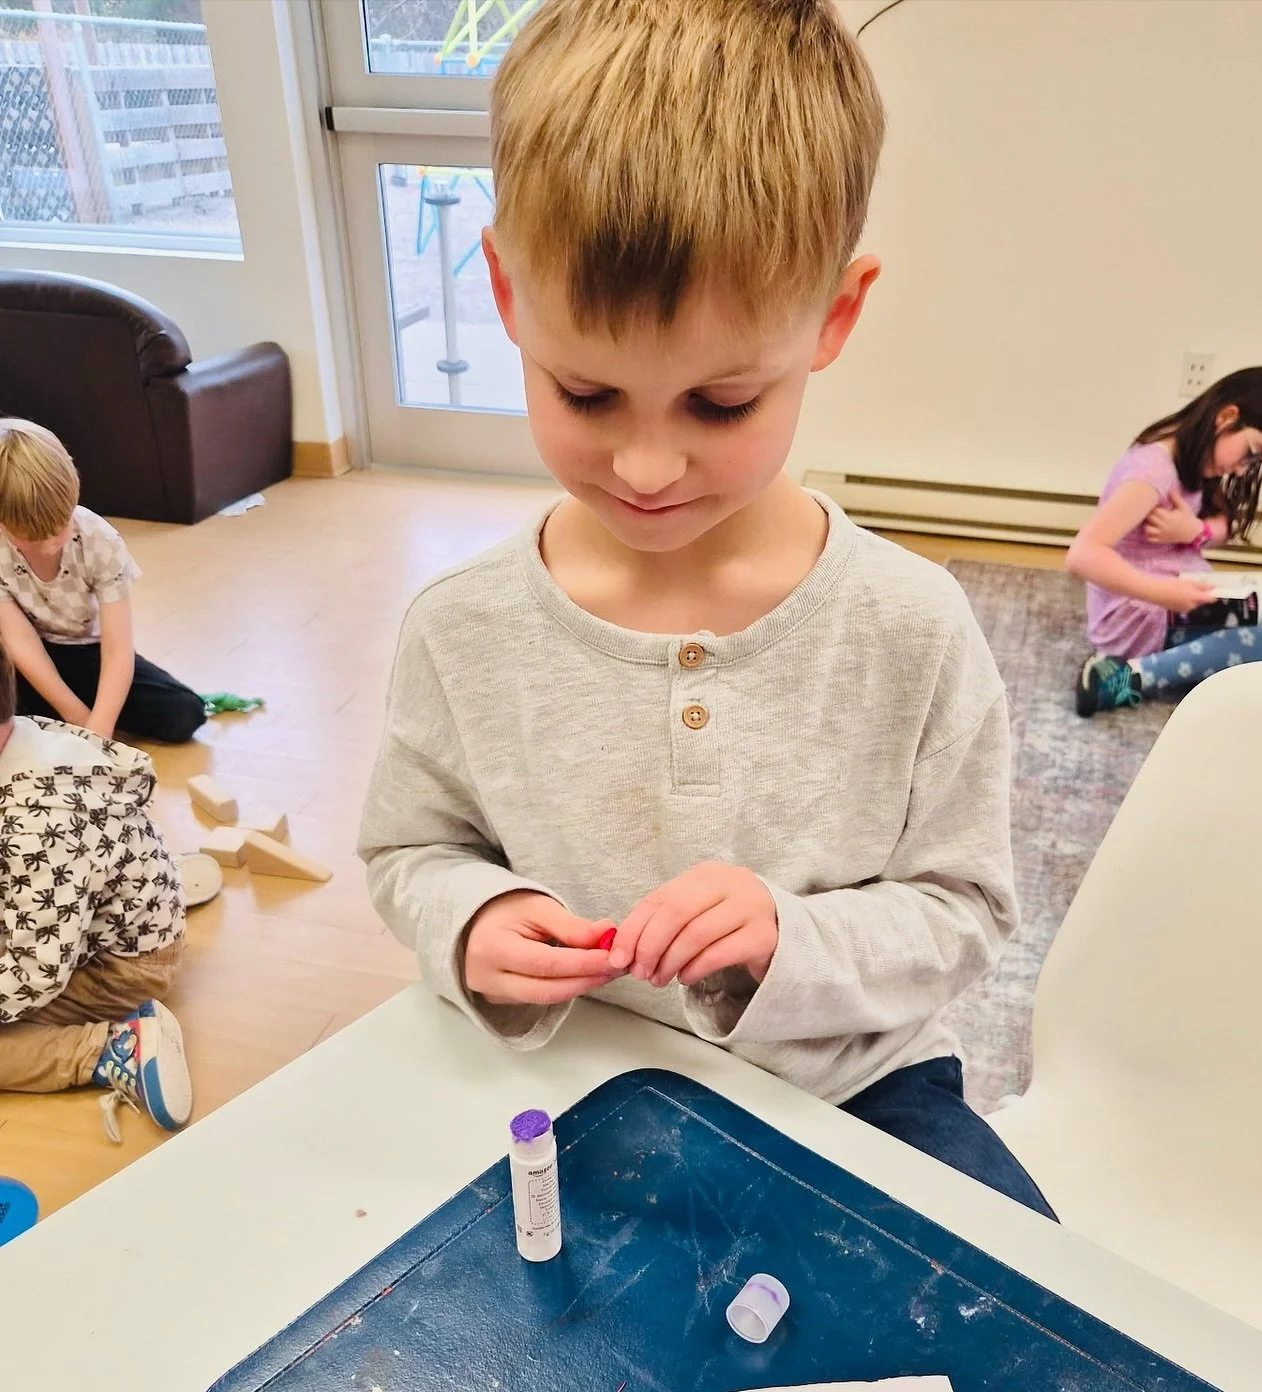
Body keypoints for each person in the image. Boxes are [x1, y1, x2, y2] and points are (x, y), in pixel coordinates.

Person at [360, 0, 1054, 1219]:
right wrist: (475, 921)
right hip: (577, 1082)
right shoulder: (462, 629)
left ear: (833, 318)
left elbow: (967, 911)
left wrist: (789, 938)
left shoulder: (911, 626)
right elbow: (412, 851)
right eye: (586, 392)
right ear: (507, 296)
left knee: (1031, 1341)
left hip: (853, 1089)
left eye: (720, 405)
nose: (644, 468)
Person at [0, 642, 192, 1130]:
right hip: (82, 914)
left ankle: (111, 1050)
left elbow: (35, 974)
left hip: (118, 967)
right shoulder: (23, 731)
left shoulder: (40, 823)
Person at [1068, 368, 1262, 716]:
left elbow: (1226, 524)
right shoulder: (1153, 472)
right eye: (1251, 453)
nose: (1245, 469)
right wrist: (1165, 594)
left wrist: (1194, 532)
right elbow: (1082, 555)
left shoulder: (1195, 454)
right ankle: (1127, 676)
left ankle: (1207, 662)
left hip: (1182, 593)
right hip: (1144, 615)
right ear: (1226, 417)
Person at [0, 418, 205, 744]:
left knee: (183, 713)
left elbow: (117, 649)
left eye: (61, 526)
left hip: (86, 652)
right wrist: (78, 717)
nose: (52, 543)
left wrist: (99, 729)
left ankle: (37, 721)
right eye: (32, 538)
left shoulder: (99, 539)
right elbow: (21, 643)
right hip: (24, 660)